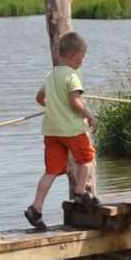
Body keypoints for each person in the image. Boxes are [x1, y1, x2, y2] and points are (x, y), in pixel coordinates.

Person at [25, 32, 99, 231]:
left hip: (51, 130)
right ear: (74, 56)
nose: (83, 61)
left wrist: (54, 106)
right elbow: (75, 102)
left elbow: (40, 98)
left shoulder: (51, 75)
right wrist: (89, 115)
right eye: (82, 57)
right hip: (72, 129)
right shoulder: (72, 76)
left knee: (51, 170)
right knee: (86, 158)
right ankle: (81, 191)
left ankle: (36, 208)